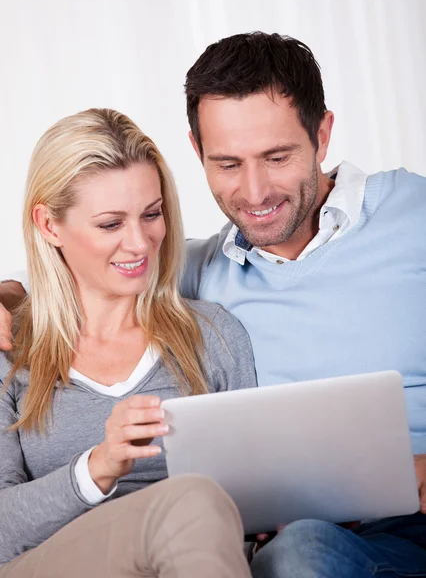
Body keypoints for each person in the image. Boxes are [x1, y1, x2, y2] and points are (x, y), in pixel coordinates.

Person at [2, 31, 426, 577]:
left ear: (322, 135)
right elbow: (74, 271)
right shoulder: (204, 269)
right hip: (311, 537)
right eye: (227, 164)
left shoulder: (412, 217)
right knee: (297, 554)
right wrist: (6, 295)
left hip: (401, 519)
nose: (254, 192)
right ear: (197, 152)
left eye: (276, 157)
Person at [0, 108, 256, 577]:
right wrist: (96, 468)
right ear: (49, 225)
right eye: (110, 224)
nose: (139, 243)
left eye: (151, 214)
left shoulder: (214, 335)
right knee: (192, 499)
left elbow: (253, 494)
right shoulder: (9, 349)